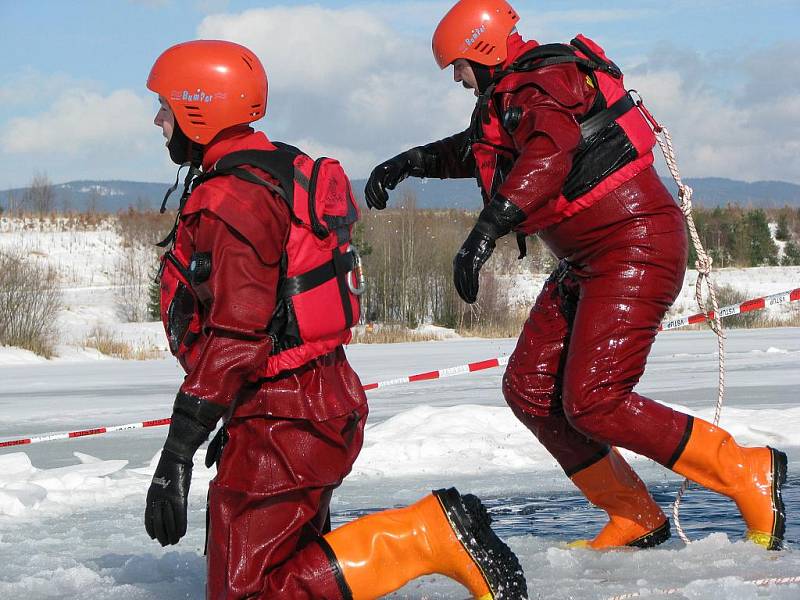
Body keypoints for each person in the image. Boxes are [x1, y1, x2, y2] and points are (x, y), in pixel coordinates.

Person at [365, 0, 787, 551]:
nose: (458, 79)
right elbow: (482, 148)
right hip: (587, 261)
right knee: (530, 390)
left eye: (459, 66)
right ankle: (633, 514)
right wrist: (407, 162)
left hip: (634, 247)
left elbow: (549, 151)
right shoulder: (513, 94)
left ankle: (742, 470)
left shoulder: (546, 80)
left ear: (482, 48)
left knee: (595, 398)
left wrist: (486, 230)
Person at [144, 39, 528, 599]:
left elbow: (237, 334)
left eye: (167, 106)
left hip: (285, 417)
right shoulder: (275, 169)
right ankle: (427, 534)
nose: (159, 120)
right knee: (285, 568)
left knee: (248, 593)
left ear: (201, 107)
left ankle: (427, 535)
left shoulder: (232, 198)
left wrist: (177, 450)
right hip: (305, 403)